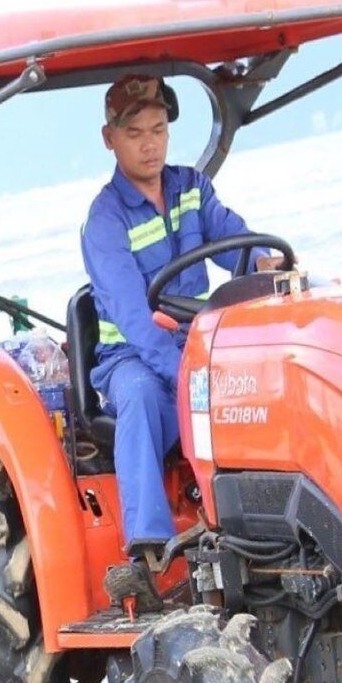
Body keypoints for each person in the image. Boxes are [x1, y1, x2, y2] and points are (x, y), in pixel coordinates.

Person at [80, 74, 277, 571]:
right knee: (142, 397)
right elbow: (133, 318)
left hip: (194, 344)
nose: (150, 145)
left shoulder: (191, 187)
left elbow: (236, 238)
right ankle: (150, 549)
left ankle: (265, 528)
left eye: (159, 129)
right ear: (110, 139)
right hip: (131, 357)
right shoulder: (105, 222)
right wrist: (186, 373)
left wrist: (264, 261)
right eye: (135, 134)